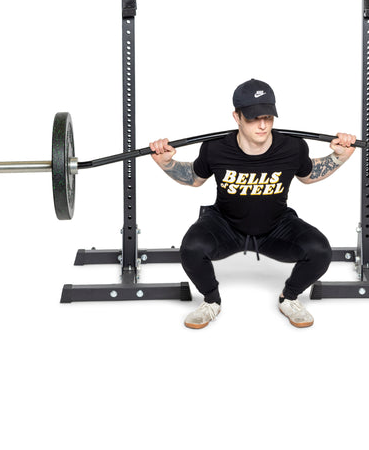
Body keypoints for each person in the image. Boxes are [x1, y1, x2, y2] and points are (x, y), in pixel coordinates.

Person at [149, 79, 356, 329]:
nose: (262, 124)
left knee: (320, 251)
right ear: (236, 117)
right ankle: (211, 301)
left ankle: (289, 297)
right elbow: (194, 178)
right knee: (191, 248)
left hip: (276, 226)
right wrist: (166, 162)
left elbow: (309, 175)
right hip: (225, 224)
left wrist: (339, 157)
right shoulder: (215, 148)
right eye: (253, 118)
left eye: (268, 117)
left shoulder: (292, 147)